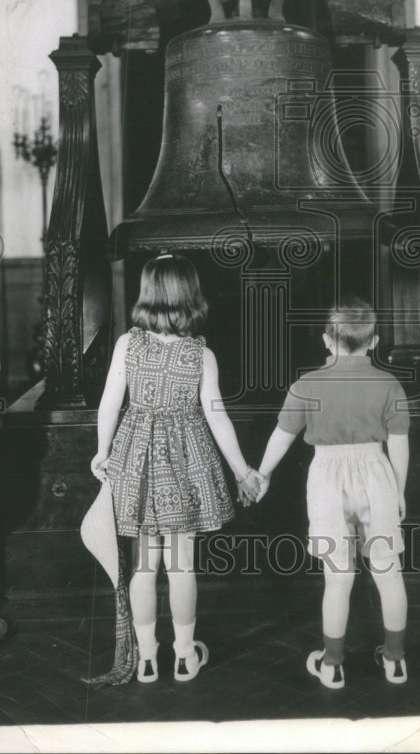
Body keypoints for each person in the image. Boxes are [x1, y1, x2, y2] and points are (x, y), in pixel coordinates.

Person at [90, 254, 262, 684]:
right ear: (191, 296)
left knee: (144, 566)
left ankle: (146, 659)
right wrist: (243, 471)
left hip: (137, 460)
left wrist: (101, 451)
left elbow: (110, 402)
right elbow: (217, 417)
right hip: (187, 463)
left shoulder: (127, 345)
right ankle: (185, 656)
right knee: (182, 564)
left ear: (147, 293)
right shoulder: (201, 354)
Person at [255, 297, 410, 689]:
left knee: (337, 578)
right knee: (388, 573)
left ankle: (333, 665)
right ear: (374, 341)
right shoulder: (388, 383)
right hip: (377, 472)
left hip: (326, 476)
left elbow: (282, 436)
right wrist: (400, 491)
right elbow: (400, 444)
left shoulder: (307, 384)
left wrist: (263, 473)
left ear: (327, 340)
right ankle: (394, 661)